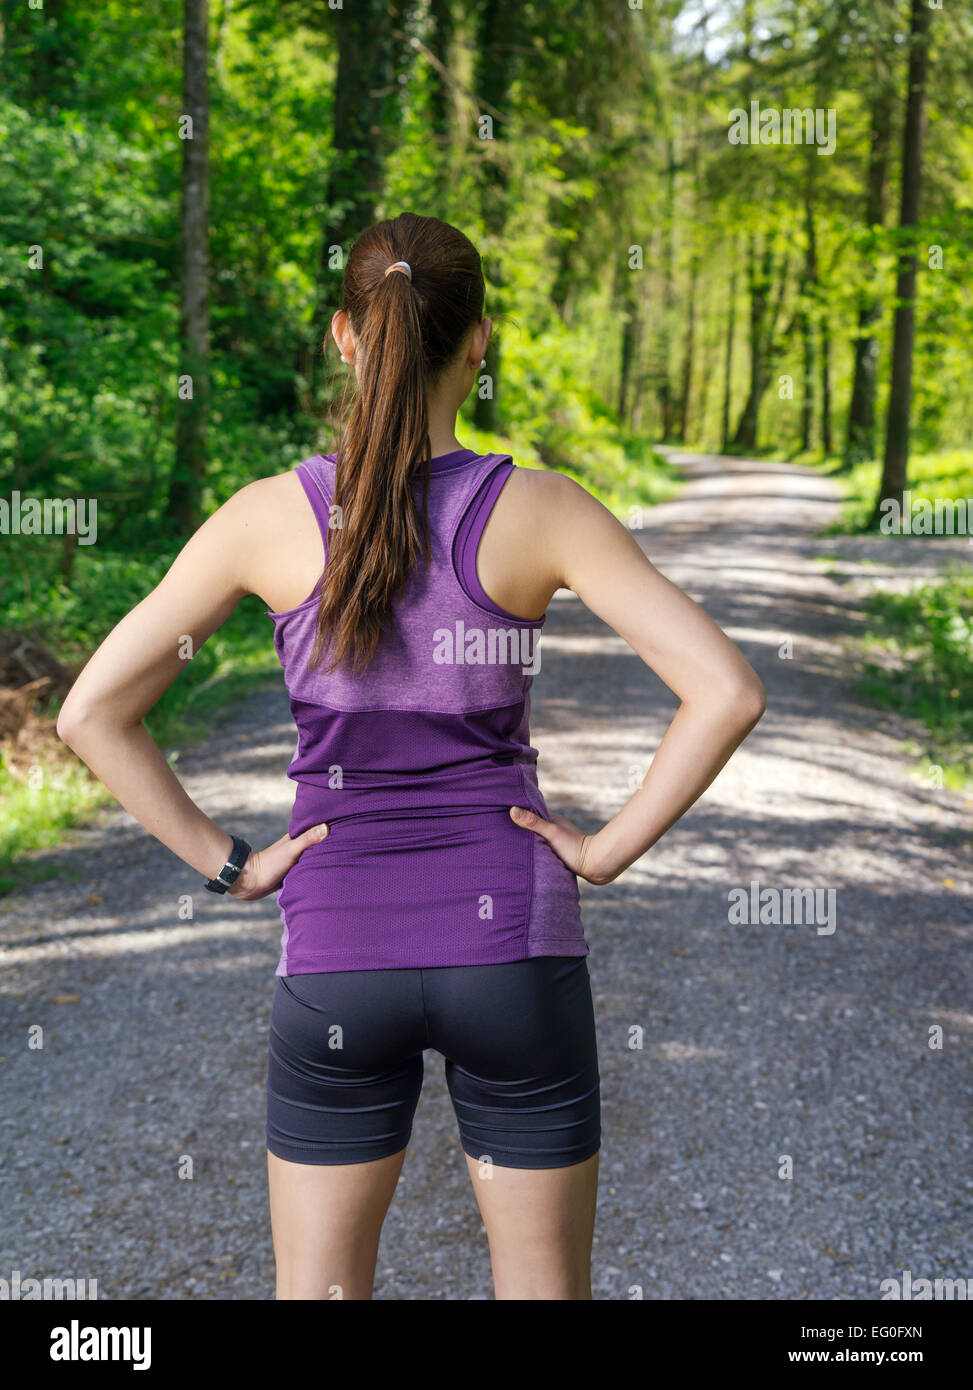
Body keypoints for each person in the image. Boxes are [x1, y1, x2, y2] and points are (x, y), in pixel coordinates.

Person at [56, 211, 766, 1301]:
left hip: (339, 952)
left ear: (346, 335)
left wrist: (228, 862)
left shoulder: (264, 519)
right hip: (513, 956)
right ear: (476, 342)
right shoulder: (541, 510)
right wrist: (606, 848)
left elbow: (93, 711)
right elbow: (725, 690)